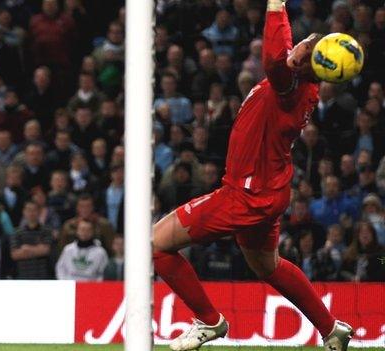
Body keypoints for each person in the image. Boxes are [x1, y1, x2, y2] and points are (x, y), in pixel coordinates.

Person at [151, 1, 354, 351]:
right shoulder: (306, 86)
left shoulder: (288, 85)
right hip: (270, 189)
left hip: (244, 195)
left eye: (305, 50)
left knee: (155, 244)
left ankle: (209, 321)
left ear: (312, 64)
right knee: (268, 266)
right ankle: (330, 327)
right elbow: (286, 52)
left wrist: (277, 6)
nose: (298, 50)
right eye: (304, 44)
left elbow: (275, 57)